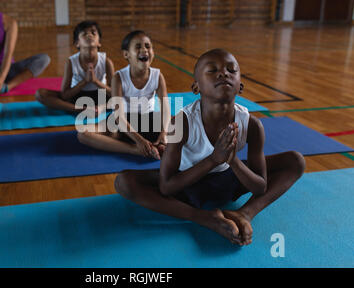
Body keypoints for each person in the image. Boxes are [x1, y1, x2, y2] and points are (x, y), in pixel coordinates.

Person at [114, 48, 306, 246]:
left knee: (295, 161)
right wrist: (214, 159)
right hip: (188, 182)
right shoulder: (181, 123)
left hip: (228, 179)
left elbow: (260, 187)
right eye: (212, 70)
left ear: (240, 85)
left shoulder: (252, 125)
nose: (224, 73)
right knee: (124, 182)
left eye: (231, 70)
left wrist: (233, 161)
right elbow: (167, 186)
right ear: (196, 87)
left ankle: (244, 214)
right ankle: (203, 217)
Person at [77, 30, 170, 160]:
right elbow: (119, 116)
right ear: (126, 54)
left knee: (183, 124)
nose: (144, 50)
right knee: (83, 133)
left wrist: (164, 133)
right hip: (124, 123)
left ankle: (159, 144)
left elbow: (165, 109)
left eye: (148, 46)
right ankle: (135, 150)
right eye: (138, 47)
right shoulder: (119, 78)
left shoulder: (158, 76)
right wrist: (139, 141)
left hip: (148, 119)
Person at [35, 20, 113, 116]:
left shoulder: (106, 62)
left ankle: (100, 108)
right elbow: (65, 95)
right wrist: (85, 81)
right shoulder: (71, 62)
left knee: (129, 93)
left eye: (93, 33)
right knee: (40, 94)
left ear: (99, 42)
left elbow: (114, 92)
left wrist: (95, 81)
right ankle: (82, 110)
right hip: (78, 97)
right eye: (84, 34)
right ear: (77, 43)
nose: (89, 35)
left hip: (101, 97)